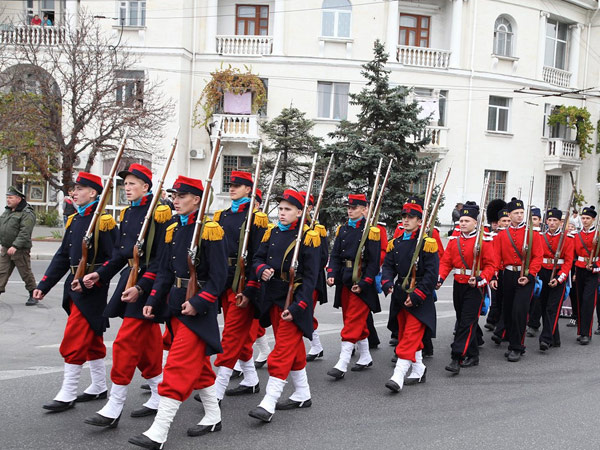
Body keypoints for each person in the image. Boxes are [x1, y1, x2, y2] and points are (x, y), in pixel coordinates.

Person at [128, 175, 227, 448]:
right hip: (174, 306)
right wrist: (153, 299)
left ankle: (159, 432)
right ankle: (213, 416)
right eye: (174, 195)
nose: (176, 200)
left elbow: (220, 278)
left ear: (197, 199)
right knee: (200, 368)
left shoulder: (209, 230)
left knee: (177, 366)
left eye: (182, 196)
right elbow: (163, 270)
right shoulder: (173, 228)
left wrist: (199, 302)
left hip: (198, 310)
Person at [82, 164, 172, 428]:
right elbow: (120, 254)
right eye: (126, 184)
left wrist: (142, 287)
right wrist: (100, 275)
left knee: (124, 343)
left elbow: (160, 261)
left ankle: (115, 403)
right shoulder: (129, 214)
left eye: (133, 183)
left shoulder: (158, 215)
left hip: (148, 285)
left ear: (146, 187)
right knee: (148, 345)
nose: (127, 188)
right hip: (130, 280)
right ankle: (158, 393)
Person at [33, 172, 118, 412]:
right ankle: (99, 385)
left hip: (91, 288)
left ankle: (68, 393)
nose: (74, 192)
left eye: (80, 188)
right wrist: (44, 285)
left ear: (93, 193)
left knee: (74, 338)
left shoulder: (103, 222)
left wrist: (97, 280)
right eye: (74, 189)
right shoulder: (75, 220)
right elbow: (62, 257)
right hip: (73, 285)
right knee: (92, 338)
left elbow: (115, 259)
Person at [247, 189, 321, 423]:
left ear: (300, 212)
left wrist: (299, 305)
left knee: (282, 351)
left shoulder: (308, 237)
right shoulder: (272, 233)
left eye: (288, 209)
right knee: (293, 349)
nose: (282, 213)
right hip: (274, 297)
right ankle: (302, 393)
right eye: (280, 209)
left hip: (295, 300)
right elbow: (256, 259)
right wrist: (261, 270)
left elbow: (311, 278)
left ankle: (269, 402)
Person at [210, 171, 267, 402]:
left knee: (232, 333)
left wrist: (251, 287)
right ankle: (251, 380)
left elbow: (259, 256)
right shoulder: (221, 216)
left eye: (238, 185)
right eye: (231, 185)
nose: (232, 188)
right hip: (224, 279)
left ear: (248, 190)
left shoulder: (257, 218)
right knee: (240, 336)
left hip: (243, 282)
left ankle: (217, 389)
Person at [381, 198, 438, 391]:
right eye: (404, 217)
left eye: (411, 217)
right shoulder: (395, 243)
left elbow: (431, 274)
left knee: (410, 335)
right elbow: (388, 266)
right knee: (406, 332)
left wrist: (417, 295)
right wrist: (387, 282)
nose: (406, 220)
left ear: (420, 222)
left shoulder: (427, 244)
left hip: (419, 296)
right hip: (400, 293)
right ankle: (419, 368)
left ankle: (398, 375)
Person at [326, 193, 381, 380]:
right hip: (344, 279)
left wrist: (365, 282)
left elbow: (374, 263)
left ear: (364, 209)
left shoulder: (371, 231)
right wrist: (332, 273)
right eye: (348, 207)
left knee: (352, 322)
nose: (350, 210)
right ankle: (365, 357)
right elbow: (334, 255)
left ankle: (342, 363)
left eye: (354, 207)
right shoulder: (343, 230)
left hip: (361, 281)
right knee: (353, 320)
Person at [438, 202, 495, 374]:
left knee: (466, 322)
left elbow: (491, 266)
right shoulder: (455, 240)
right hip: (458, 284)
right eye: (461, 220)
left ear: (475, 223)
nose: (462, 223)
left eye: (467, 221)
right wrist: (440, 278)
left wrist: (480, 280)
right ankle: (473, 354)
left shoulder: (483, 241)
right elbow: (446, 262)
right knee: (463, 318)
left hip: (474, 286)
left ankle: (457, 357)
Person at [493, 197, 543, 362]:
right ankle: (512, 342)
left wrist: (530, 275)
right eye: (516, 213)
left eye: (522, 213)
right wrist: (494, 275)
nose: (520, 216)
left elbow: (538, 256)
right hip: (507, 275)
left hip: (525, 276)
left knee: (519, 312)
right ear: (510, 214)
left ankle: (517, 346)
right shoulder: (502, 235)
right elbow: (496, 257)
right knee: (507, 311)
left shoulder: (532, 234)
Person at [536, 208, 574, 351]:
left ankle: (545, 339)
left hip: (558, 274)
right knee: (545, 306)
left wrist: (559, 278)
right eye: (550, 220)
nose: (552, 223)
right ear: (546, 221)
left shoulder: (567, 239)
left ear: (560, 222)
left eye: (555, 221)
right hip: (543, 272)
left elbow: (569, 262)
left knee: (552, 307)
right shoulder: (541, 237)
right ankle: (555, 338)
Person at [0, 186, 37, 305]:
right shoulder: (8, 211)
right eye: (7, 198)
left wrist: (15, 246)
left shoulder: (27, 213)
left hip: (20, 249)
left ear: (19, 199)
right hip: (6, 247)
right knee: (1, 271)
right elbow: (3, 227)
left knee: (25, 272)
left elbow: (25, 232)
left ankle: (33, 293)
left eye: (10, 198)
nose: (8, 200)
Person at [573, 206, 600, 345]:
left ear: (593, 219)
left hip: (593, 271)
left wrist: (596, 266)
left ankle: (586, 333)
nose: (585, 220)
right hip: (580, 269)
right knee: (580, 301)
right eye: (583, 218)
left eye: (587, 218)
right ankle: (580, 331)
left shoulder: (598, 235)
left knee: (588, 301)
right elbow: (573, 255)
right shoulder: (577, 235)